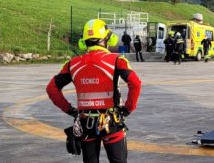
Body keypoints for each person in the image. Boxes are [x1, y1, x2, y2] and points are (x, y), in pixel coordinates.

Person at [46, 19, 142, 163]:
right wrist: (128, 109)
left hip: (86, 124)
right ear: (106, 39)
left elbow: (51, 88)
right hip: (112, 123)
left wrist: (71, 110)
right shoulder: (116, 60)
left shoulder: (73, 64)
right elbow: (135, 83)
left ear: (84, 41)